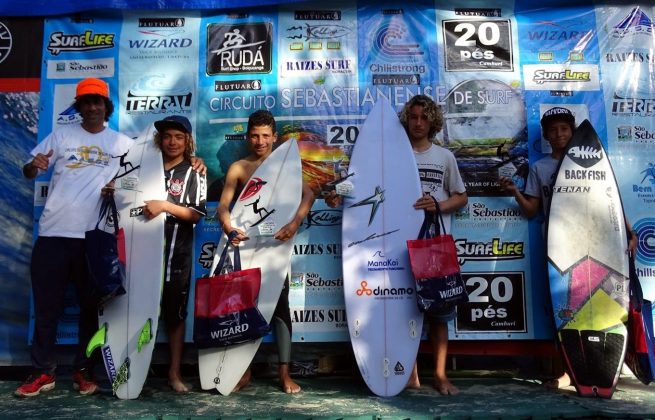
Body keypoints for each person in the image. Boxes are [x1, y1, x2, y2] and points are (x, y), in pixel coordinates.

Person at [499, 106, 638, 389]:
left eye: (564, 129)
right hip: (559, 247)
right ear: (547, 136)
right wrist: (515, 193)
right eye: (553, 130)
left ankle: (604, 364)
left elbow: (609, 201)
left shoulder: (595, 163)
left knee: (604, 304)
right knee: (564, 308)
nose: (559, 134)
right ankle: (567, 371)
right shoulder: (540, 168)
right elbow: (530, 211)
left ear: (572, 132)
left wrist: (630, 232)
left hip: (597, 243)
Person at [16, 78, 133, 397]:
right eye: (86, 102)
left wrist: (118, 189)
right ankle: (42, 372)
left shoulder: (122, 144)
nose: (92, 107)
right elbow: (29, 170)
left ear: (106, 106)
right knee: (46, 307)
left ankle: (84, 369)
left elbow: (134, 188)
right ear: (79, 107)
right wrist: (33, 166)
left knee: (90, 308)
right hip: (54, 233)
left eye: (98, 101)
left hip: (95, 238)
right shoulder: (62, 135)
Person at [217, 109, 315, 394]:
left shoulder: (286, 167)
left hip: (275, 245)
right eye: (255, 136)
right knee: (243, 305)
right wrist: (227, 225)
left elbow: (308, 194)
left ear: (274, 137)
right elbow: (224, 204)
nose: (260, 141)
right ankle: (243, 370)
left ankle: (284, 374)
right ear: (248, 136)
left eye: (265, 136)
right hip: (244, 243)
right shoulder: (238, 168)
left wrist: (295, 223)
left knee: (279, 306)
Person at [399, 95, 468, 395]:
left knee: (439, 314)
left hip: (435, 247)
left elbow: (461, 197)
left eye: (424, 118)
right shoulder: (395, 155)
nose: (417, 123)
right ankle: (410, 374)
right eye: (413, 117)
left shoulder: (444, 157)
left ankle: (439, 376)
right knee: (404, 311)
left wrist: (436, 204)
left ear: (432, 122)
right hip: (399, 246)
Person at [141, 115, 207, 392]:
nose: (172, 142)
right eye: (167, 136)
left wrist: (164, 206)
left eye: (179, 137)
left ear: (187, 141)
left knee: (175, 318)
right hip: (143, 256)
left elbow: (195, 215)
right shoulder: (145, 167)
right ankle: (136, 371)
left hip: (175, 258)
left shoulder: (195, 171)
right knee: (140, 313)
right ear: (160, 139)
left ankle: (174, 373)